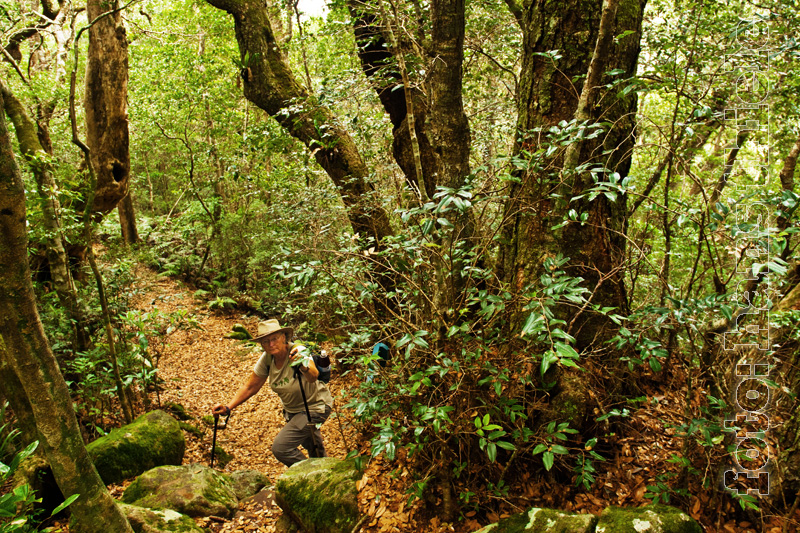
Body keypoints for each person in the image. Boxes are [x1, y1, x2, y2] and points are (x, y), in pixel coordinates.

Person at [212, 319, 333, 466]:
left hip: (316, 407)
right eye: (265, 341)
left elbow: (313, 376)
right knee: (313, 446)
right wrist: (228, 407)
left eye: (274, 339)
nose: (271, 344)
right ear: (262, 345)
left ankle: (310, 475)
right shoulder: (268, 359)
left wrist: (303, 365)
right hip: (293, 411)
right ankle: (326, 473)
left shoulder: (298, 351)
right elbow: (251, 386)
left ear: (283, 337)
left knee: (281, 448)